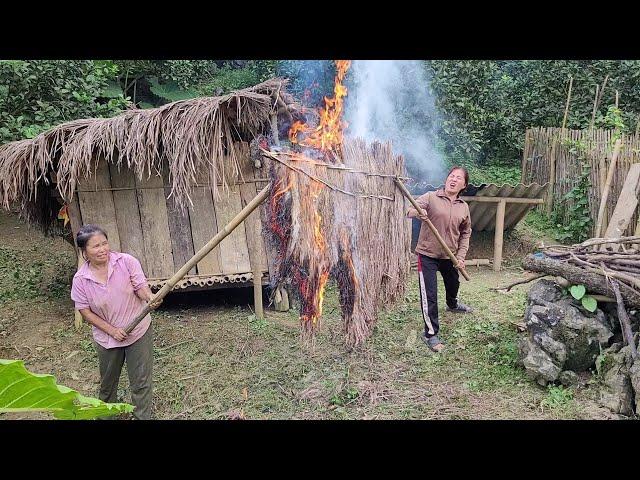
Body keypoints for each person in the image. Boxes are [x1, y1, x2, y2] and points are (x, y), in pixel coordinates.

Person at [70, 224, 161, 419]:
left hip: (138, 331)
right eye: (95, 246)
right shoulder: (81, 280)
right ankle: (105, 416)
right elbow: (86, 312)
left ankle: (142, 417)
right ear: (84, 251)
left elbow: (140, 287)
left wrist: (149, 297)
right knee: (108, 385)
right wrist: (112, 331)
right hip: (107, 339)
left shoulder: (126, 262)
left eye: (104, 243)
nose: (102, 249)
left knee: (141, 381)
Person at [407, 166, 473, 353]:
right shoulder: (430, 197)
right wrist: (417, 212)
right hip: (427, 254)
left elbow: (466, 233)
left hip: (449, 255)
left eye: (458, 178)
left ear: (464, 185)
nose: (453, 180)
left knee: (453, 283)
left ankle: (452, 304)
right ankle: (430, 333)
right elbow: (409, 210)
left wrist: (460, 257)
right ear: (446, 179)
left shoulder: (463, 207)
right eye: (451, 176)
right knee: (430, 295)